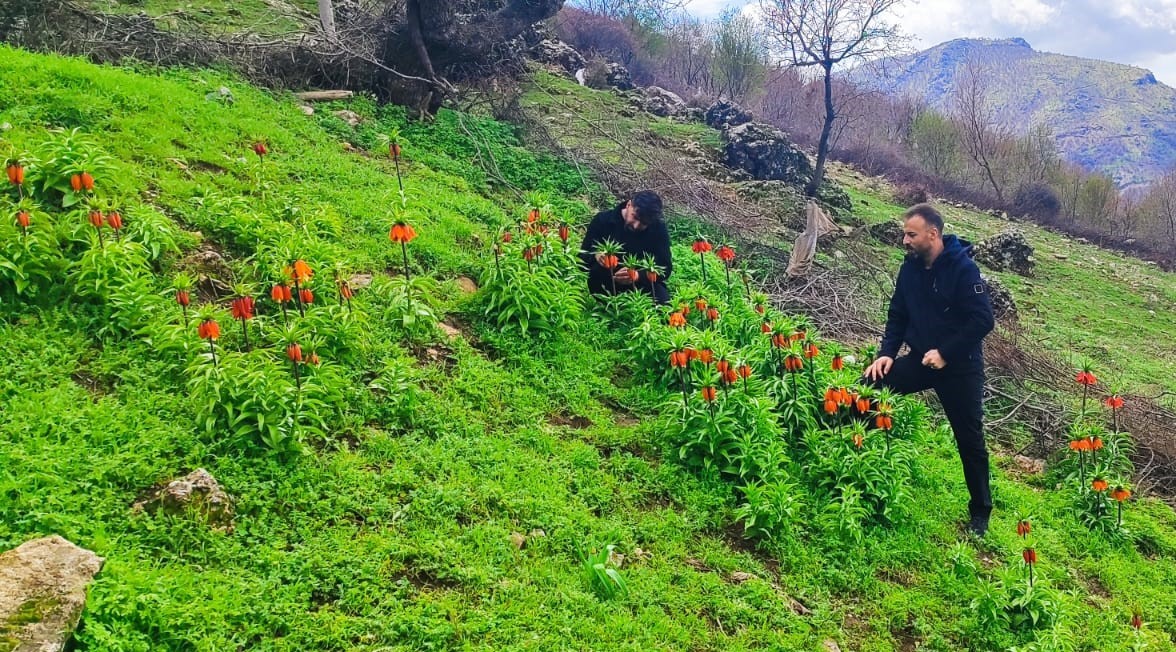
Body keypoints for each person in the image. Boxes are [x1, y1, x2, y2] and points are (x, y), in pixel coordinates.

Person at [863, 203, 996, 536]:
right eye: (905, 233)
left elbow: (983, 320)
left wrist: (946, 353)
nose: (904, 240)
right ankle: (854, 458)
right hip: (921, 360)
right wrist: (887, 353)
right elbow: (898, 314)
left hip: (960, 367)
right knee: (867, 387)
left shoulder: (964, 270)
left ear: (932, 234)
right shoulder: (909, 269)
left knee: (970, 440)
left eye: (911, 234)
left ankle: (980, 513)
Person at [579, 190, 672, 304]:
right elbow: (582, 258)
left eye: (644, 223)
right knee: (598, 274)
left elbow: (665, 267)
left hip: (641, 282)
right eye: (635, 217)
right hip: (606, 280)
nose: (636, 225)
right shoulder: (603, 220)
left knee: (665, 308)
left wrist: (637, 275)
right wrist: (596, 256)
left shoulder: (658, 229)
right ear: (629, 205)